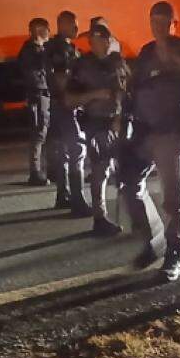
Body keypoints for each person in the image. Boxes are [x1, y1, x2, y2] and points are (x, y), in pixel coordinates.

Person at [119, 1, 180, 282]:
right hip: (144, 130)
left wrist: (166, 50)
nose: (158, 26)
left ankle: (174, 253)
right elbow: (134, 85)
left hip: (171, 132)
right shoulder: (145, 52)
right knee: (130, 185)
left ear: (173, 24)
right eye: (154, 21)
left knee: (172, 196)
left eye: (164, 21)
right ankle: (154, 241)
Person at [65, 21, 129, 236]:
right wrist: (94, 95)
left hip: (118, 122)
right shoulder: (83, 65)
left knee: (124, 170)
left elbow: (127, 90)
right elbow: (69, 99)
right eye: (91, 38)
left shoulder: (117, 62)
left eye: (98, 37)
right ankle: (100, 218)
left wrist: (121, 116)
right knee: (100, 170)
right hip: (95, 122)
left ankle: (133, 216)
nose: (93, 41)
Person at [46, 10, 92, 216]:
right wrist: (76, 97)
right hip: (66, 105)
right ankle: (77, 200)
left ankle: (63, 195)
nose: (76, 28)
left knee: (63, 152)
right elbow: (61, 78)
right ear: (62, 25)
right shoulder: (61, 49)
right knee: (77, 151)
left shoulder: (59, 47)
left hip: (57, 104)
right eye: (73, 24)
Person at [17, 17, 52, 186]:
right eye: (47, 30)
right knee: (39, 134)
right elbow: (36, 75)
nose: (49, 33)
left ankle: (44, 170)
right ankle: (35, 172)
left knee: (43, 133)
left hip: (41, 95)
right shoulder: (32, 51)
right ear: (40, 31)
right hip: (38, 95)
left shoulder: (31, 50)